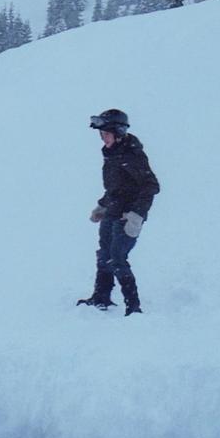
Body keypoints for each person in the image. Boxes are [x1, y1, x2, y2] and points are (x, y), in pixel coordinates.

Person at [77, 109, 160, 316]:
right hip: (112, 211)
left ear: (118, 132)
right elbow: (117, 187)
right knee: (104, 253)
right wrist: (103, 205)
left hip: (129, 215)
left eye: (106, 133)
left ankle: (133, 306)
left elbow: (151, 186)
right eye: (101, 134)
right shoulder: (113, 154)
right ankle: (101, 297)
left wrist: (137, 215)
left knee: (117, 257)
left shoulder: (132, 155)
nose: (103, 138)